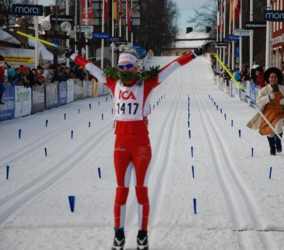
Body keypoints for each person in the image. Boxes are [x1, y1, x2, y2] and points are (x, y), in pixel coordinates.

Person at [66, 44, 206, 250]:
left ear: (136, 68)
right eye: (120, 67)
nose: (123, 71)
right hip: (120, 144)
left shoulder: (147, 84)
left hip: (141, 144)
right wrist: (72, 54)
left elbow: (172, 66)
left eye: (128, 67)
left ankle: (142, 234)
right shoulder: (113, 83)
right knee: (121, 190)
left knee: (141, 189)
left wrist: (194, 54)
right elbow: (92, 68)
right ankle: (119, 234)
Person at [247, 67, 284, 155]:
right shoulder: (264, 90)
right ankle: (272, 147)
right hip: (268, 112)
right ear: (269, 78)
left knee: (278, 128)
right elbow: (259, 101)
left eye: (275, 77)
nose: (273, 78)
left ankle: (278, 144)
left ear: (278, 78)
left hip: (279, 112)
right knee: (270, 133)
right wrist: (268, 98)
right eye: (272, 77)